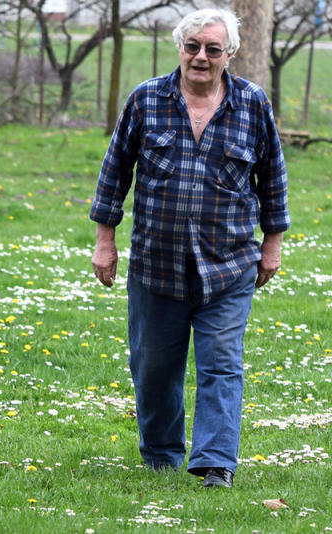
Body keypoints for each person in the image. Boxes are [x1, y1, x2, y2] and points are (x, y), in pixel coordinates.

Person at [89, 8, 290, 488]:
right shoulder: (145, 101)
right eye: (192, 46)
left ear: (230, 55)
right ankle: (161, 455)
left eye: (212, 49)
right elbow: (114, 171)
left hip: (229, 264)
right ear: (180, 47)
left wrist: (273, 245)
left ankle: (215, 462)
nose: (201, 57)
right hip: (157, 264)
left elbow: (274, 178)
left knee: (221, 365)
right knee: (154, 366)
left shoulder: (252, 104)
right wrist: (105, 240)